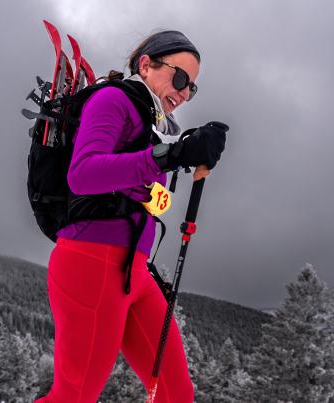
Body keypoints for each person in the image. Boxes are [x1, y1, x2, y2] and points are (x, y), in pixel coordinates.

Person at [34, 29, 227, 403]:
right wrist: (170, 156)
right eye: (181, 78)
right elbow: (83, 173)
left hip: (133, 274)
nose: (185, 93)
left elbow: (129, 181)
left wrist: (173, 163)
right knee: (72, 397)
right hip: (91, 265)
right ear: (145, 64)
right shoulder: (112, 100)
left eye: (193, 88)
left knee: (175, 394)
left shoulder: (149, 121)